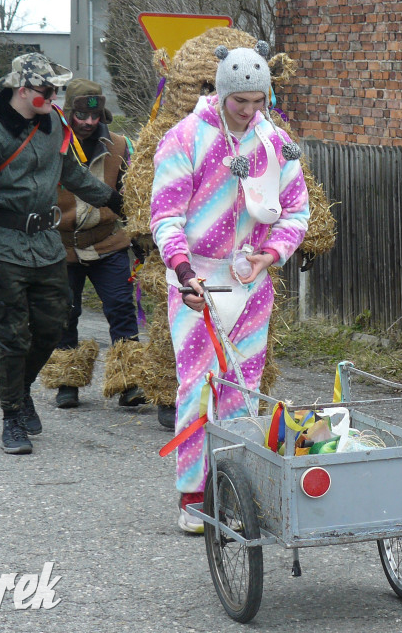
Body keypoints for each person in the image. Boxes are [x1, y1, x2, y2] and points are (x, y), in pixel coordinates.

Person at [150, 43, 309, 533]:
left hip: (252, 280)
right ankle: (194, 493)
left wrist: (272, 253)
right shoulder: (185, 139)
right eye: (241, 100)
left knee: (244, 387)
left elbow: (297, 211)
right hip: (198, 280)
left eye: (259, 101)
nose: (250, 110)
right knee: (199, 385)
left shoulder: (276, 142)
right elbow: (165, 214)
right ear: (221, 92)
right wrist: (181, 270)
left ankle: (236, 486)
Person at [0, 53, 124, 455]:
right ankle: (12, 416)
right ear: (23, 89)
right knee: (13, 335)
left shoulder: (53, 124)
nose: (54, 96)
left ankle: (22, 389)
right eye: (47, 90)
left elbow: (73, 174)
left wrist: (114, 200)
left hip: (46, 246)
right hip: (3, 247)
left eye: (56, 90)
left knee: (52, 326)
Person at [42, 79, 142, 410]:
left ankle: (129, 383)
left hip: (108, 243)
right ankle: (67, 382)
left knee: (121, 308)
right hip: (61, 247)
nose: (87, 123)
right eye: (80, 116)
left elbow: (133, 199)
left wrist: (141, 239)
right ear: (68, 113)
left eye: (94, 116)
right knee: (64, 314)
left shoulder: (120, 146)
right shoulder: (47, 146)